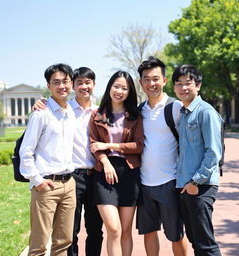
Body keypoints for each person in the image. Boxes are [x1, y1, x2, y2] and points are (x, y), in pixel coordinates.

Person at [32, 67, 103, 256]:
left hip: (96, 175)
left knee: (95, 229)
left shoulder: (100, 112)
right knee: (69, 231)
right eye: (79, 82)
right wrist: (40, 103)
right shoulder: (64, 109)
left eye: (88, 82)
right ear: (74, 85)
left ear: (94, 85)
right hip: (73, 176)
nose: (83, 86)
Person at [19, 63, 76, 256]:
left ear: (72, 83)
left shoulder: (71, 113)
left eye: (66, 81)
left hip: (69, 184)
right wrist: (37, 181)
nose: (62, 86)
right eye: (56, 82)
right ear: (48, 85)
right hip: (46, 186)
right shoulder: (41, 114)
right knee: (39, 244)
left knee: (64, 241)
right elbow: (26, 151)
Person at [136, 56, 188, 256]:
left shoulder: (175, 107)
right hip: (144, 183)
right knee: (149, 232)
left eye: (156, 78)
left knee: (176, 235)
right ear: (141, 83)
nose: (151, 83)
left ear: (165, 81)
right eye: (147, 79)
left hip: (170, 182)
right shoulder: (139, 110)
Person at [88, 70, 144, 256]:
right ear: (110, 87)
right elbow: (94, 144)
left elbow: (138, 146)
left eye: (124, 88)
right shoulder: (97, 115)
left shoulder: (135, 116)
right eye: (116, 86)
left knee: (126, 232)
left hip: (129, 174)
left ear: (130, 92)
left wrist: (111, 145)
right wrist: (105, 162)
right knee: (114, 229)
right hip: (104, 174)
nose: (119, 91)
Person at [172, 64, 222, 256]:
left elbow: (213, 153)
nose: (183, 87)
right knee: (196, 241)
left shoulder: (205, 112)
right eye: (179, 83)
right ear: (174, 88)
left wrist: (195, 181)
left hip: (201, 186)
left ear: (198, 86)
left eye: (188, 83)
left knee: (205, 244)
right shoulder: (184, 114)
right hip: (186, 186)